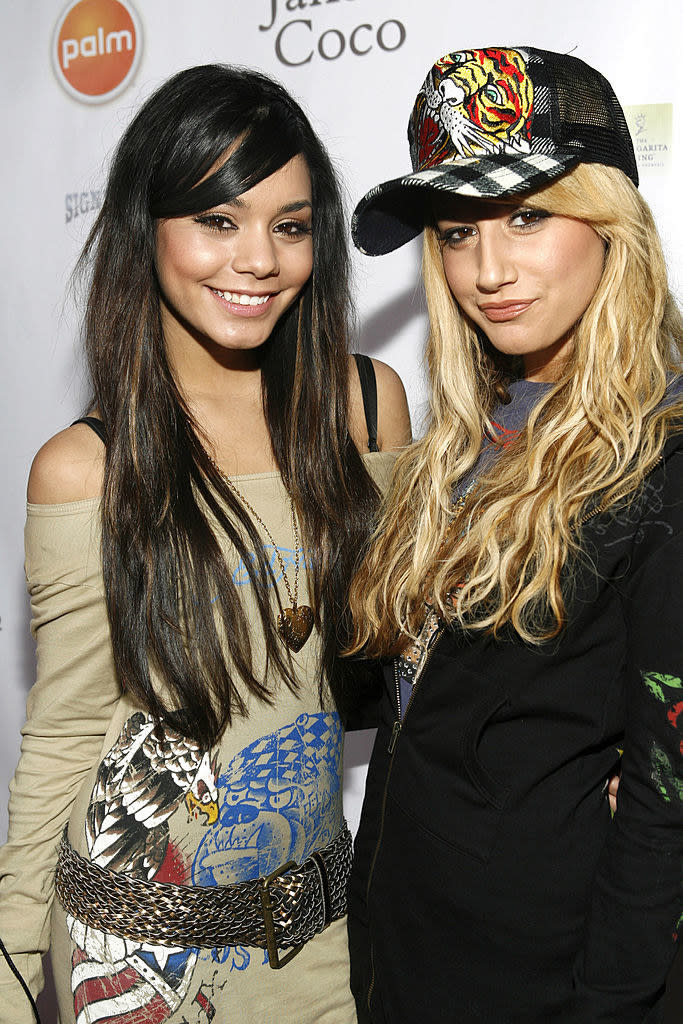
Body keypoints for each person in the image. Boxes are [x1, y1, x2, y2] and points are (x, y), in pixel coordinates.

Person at [0, 64, 410, 1024]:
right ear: (148, 229)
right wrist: (15, 968)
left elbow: (405, 653)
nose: (258, 259)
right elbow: (62, 735)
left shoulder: (365, 405)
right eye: (217, 221)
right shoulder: (84, 468)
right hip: (138, 960)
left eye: (291, 225)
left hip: (322, 932)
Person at [346, 45, 682, 1022]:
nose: (485, 269)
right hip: (406, 957)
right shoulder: (460, 440)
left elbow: (661, 810)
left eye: (526, 216)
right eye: (456, 231)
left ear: (607, 217)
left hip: (551, 986)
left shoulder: (660, 458)